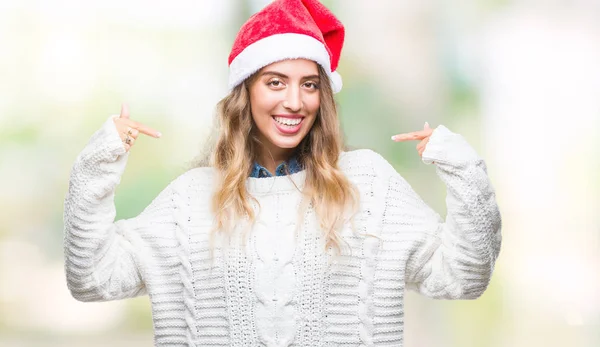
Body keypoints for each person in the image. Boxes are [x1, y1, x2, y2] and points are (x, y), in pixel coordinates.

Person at [63, 0, 502, 346]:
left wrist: (463, 168)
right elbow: (92, 280)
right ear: (245, 92)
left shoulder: (368, 183)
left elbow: (463, 277)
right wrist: (97, 165)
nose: (295, 101)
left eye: (309, 84)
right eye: (275, 82)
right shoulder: (190, 200)